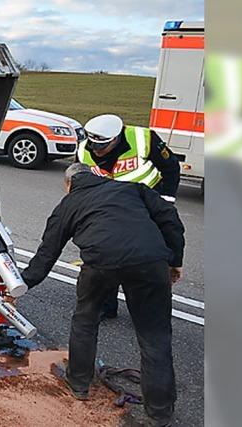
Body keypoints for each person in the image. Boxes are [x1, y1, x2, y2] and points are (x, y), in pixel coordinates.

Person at [20, 163, 185, 426]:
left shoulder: (69, 204)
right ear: (98, 176)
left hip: (100, 264)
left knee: (85, 320)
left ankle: (78, 384)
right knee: (155, 337)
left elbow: (46, 254)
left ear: (68, 184)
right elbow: (170, 219)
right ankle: (160, 412)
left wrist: (22, 285)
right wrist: (174, 260)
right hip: (150, 262)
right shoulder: (132, 189)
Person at [78, 114, 181, 319]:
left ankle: (149, 312)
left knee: (147, 257)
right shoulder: (84, 149)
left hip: (147, 202)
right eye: (94, 146)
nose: (97, 152)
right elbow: (82, 179)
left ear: (116, 139)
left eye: (102, 147)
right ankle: (106, 306)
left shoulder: (144, 139)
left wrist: (165, 202)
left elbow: (171, 167)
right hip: (110, 207)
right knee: (107, 255)